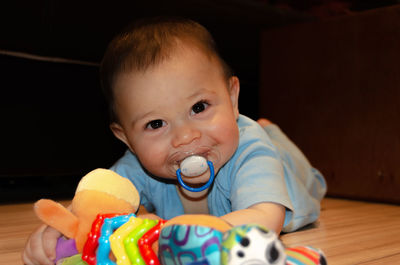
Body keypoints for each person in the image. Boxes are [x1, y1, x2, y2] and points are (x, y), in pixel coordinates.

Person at [22, 17, 326, 265]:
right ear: (126, 138)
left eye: (199, 108)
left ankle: (271, 130)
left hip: (288, 173)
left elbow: (264, 219)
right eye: (155, 124)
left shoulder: (249, 152)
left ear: (233, 99)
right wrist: (63, 231)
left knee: (304, 174)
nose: (185, 137)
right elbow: (97, 209)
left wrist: (169, 234)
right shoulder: (137, 167)